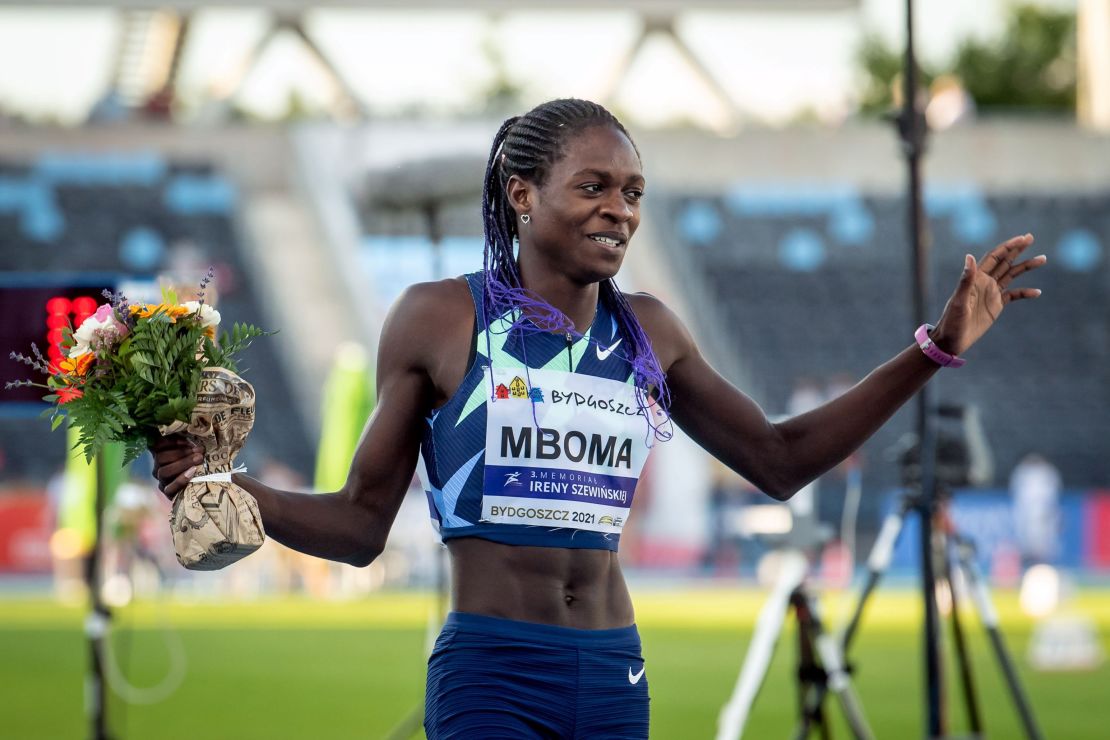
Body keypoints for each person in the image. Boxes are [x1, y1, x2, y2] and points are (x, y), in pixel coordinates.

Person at [150, 98, 1045, 738]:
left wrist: (934, 347)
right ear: (521, 193)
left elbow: (779, 457)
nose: (620, 209)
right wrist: (224, 487)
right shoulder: (439, 319)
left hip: (615, 676)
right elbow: (357, 527)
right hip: (491, 675)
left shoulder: (648, 329)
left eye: (634, 192)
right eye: (594, 187)